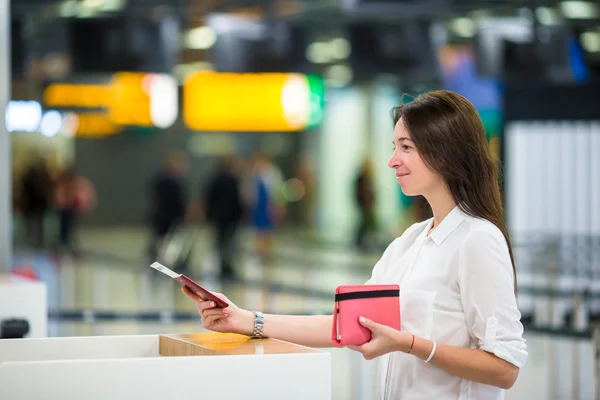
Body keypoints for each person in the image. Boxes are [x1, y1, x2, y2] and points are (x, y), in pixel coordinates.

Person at [182, 90, 527, 399]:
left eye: (406, 147)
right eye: (395, 147)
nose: (393, 160)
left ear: (445, 153)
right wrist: (245, 320)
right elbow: (345, 324)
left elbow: (504, 368)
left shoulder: (477, 240)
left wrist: (409, 344)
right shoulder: (410, 242)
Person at [202, 156, 245, 280]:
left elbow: (209, 199)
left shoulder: (213, 180)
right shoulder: (233, 180)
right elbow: (237, 200)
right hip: (231, 216)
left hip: (217, 216)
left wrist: (209, 215)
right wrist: (240, 214)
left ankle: (222, 265)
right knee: (229, 242)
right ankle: (227, 266)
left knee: (220, 241)